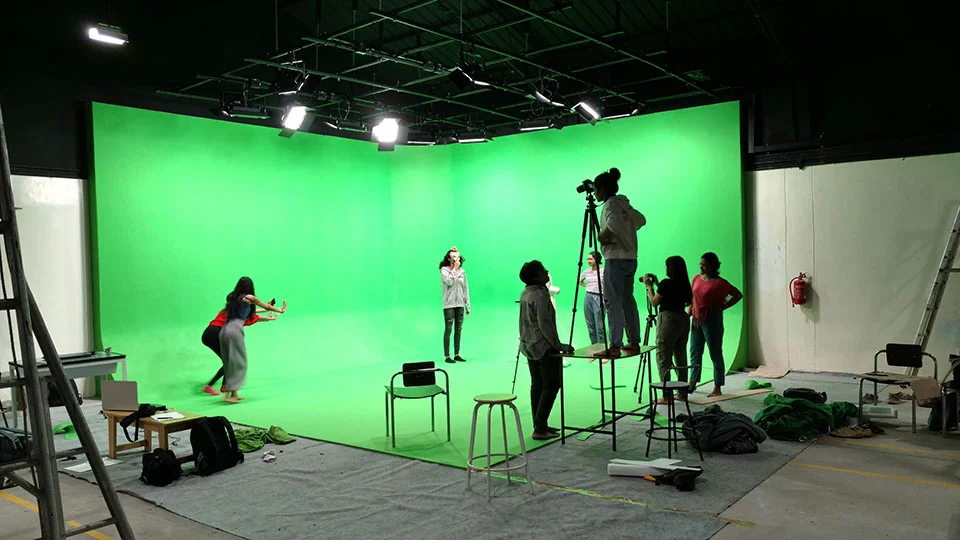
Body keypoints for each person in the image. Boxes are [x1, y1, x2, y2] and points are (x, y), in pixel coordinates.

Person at [594, 167, 647, 358]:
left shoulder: (610, 205)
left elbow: (614, 223)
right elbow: (641, 220)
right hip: (630, 258)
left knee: (612, 302)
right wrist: (625, 233)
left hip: (615, 258)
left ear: (602, 190)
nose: (594, 194)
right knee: (627, 300)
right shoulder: (624, 204)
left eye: (595, 190)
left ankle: (615, 345)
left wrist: (603, 235)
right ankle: (634, 341)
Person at [519, 260, 574, 440]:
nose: (546, 272)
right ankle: (540, 427)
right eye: (542, 270)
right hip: (544, 347)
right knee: (552, 384)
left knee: (537, 385)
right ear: (536, 277)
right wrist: (559, 346)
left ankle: (539, 424)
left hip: (529, 345)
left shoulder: (526, 293)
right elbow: (545, 324)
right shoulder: (540, 295)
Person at [219, 277, 286, 403]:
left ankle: (233, 393)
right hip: (235, 329)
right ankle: (230, 395)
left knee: (230, 361)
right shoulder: (249, 297)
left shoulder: (232, 297)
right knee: (239, 361)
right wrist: (280, 310)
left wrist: (267, 310)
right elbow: (267, 306)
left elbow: (254, 310)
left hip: (225, 329)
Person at [688, 252, 743, 398]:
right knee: (695, 351)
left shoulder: (720, 283)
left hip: (712, 320)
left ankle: (717, 386)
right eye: (700, 264)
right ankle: (692, 382)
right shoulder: (696, 278)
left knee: (715, 353)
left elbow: (737, 295)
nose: (701, 267)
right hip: (696, 319)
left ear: (713, 266)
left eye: (705, 265)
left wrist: (722, 306)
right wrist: (690, 311)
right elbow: (693, 297)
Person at [201, 300, 280, 396]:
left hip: (207, 333)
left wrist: (266, 309)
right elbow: (258, 317)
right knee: (230, 362)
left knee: (229, 361)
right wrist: (270, 315)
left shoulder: (229, 310)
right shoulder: (241, 317)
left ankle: (224, 385)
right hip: (216, 334)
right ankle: (210, 386)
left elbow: (253, 313)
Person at [643, 256, 693, 403]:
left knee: (663, 357)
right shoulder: (685, 284)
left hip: (668, 320)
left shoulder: (666, 283)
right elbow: (679, 297)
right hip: (683, 319)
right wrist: (658, 284)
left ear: (670, 268)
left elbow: (654, 302)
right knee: (681, 356)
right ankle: (682, 393)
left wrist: (649, 287)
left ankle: (667, 395)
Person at [439, 247, 470, 364]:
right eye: (453, 257)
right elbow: (449, 282)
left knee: (458, 329)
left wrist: (467, 305)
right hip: (449, 304)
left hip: (460, 304)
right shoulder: (444, 270)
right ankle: (447, 355)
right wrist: (454, 270)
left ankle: (457, 354)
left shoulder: (463, 272)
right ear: (449, 259)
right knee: (448, 329)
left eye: (457, 257)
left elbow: (465, 289)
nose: (456, 259)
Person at [579, 251, 606, 345]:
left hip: (599, 296)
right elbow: (580, 281)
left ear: (596, 259)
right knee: (590, 324)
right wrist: (587, 286)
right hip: (588, 297)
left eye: (591, 259)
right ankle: (594, 346)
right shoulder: (587, 271)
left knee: (600, 324)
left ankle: (602, 346)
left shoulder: (603, 271)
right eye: (587, 259)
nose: (588, 261)